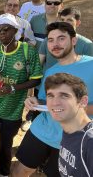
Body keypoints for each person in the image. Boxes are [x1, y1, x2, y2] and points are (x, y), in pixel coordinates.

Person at [12, 22, 93, 177]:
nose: (55, 44)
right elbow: (45, 101)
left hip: (73, 139)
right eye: (50, 40)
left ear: (74, 40)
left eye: (61, 38)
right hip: (42, 130)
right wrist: (35, 101)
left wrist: (74, 110)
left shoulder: (91, 64)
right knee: (19, 171)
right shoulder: (50, 72)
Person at [0, 13, 43, 177]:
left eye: (6, 29)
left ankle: (4, 173)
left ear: (16, 30)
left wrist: (13, 88)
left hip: (12, 110)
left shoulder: (28, 51)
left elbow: (36, 79)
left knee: (5, 145)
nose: (2, 33)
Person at [45, 73, 93, 176]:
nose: (55, 103)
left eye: (64, 96)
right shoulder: (68, 130)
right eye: (50, 96)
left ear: (83, 101)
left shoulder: (90, 142)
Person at [39, 7, 93, 72]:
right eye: (62, 19)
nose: (64, 23)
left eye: (69, 20)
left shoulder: (87, 45)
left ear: (78, 23)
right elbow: (39, 63)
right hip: (47, 80)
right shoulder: (48, 40)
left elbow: (88, 69)